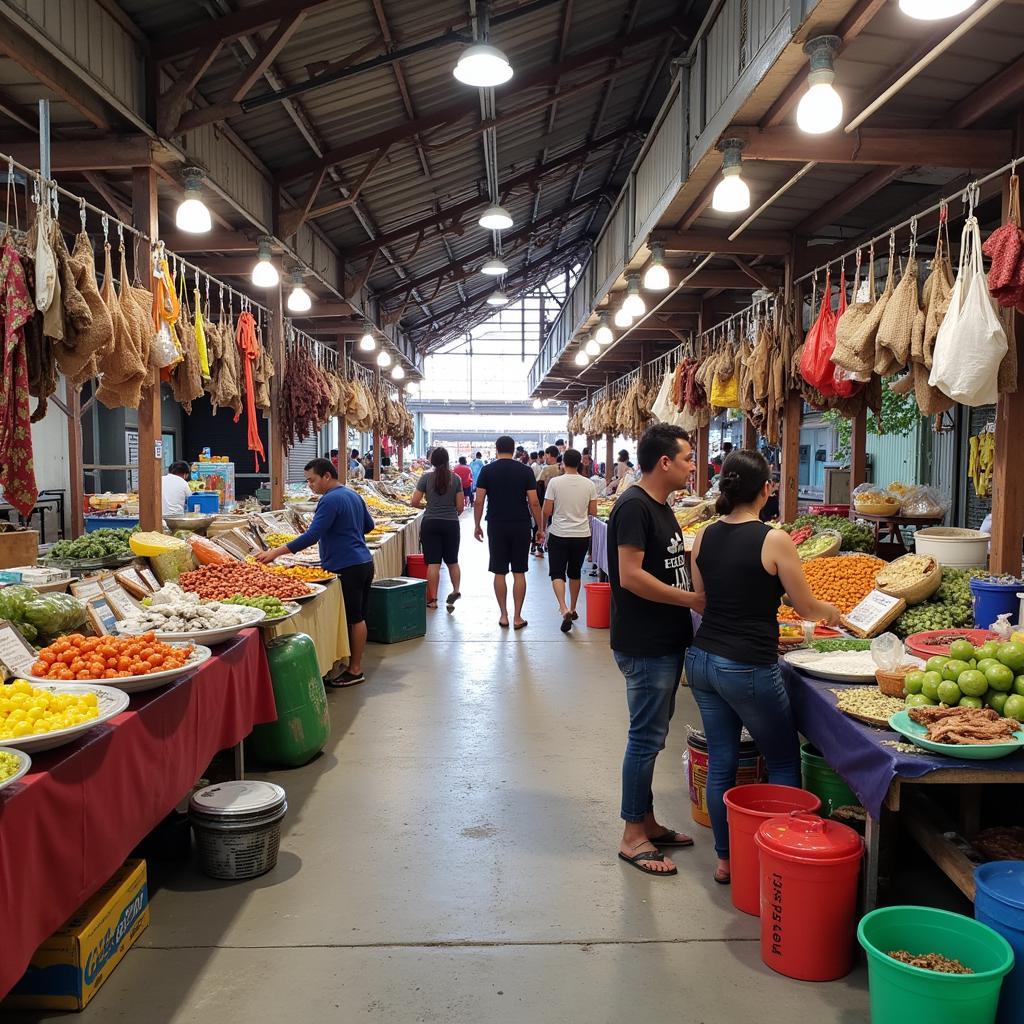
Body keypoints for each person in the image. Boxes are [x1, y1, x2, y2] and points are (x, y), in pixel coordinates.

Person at [686, 450, 841, 885]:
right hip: (746, 665)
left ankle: (725, 860)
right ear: (766, 490)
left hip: (701, 659)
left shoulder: (704, 536)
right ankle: (782, 855)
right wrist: (834, 612)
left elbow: (703, 596)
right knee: (783, 760)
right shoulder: (774, 539)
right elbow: (806, 606)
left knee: (722, 761)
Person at [608, 423, 704, 877]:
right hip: (645, 643)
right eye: (687, 457)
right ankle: (632, 835)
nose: (692, 465)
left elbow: (665, 563)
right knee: (645, 739)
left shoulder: (660, 506)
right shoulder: (633, 506)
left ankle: (646, 820)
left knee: (653, 735)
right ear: (664, 462)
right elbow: (629, 575)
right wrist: (692, 600)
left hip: (665, 640)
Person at [258, 458, 376, 687]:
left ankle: (355, 669)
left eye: (312, 480)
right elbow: (368, 526)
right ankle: (354, 663)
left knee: (355, 617)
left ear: (326, 476)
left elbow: (313, 535)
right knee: (358, 616)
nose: (310, 485)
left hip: (346, 565)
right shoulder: (352, 495)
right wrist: (348, 532)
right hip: (363, 561)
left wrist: (276, 553)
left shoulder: (330, 500)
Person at [473, 435, 544, 630]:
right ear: (514, 450)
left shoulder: (487, 471)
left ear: (496, 449)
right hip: (521, 525)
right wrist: (540, 527)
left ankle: (503, 615)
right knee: (519, 571)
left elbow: (478, 501)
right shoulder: (525, 471)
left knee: (499, 571)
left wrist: (477, 524)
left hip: (496, 525)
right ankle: (518, 617)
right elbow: (534, 501)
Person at [543, 449, 598, 632]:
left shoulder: (555, 483)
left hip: (559, 534)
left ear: (563, 463)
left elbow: (547, 510)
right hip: (581, 535)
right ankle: (573, 608)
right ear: (580, 463)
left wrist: (543, 529)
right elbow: (593, 512)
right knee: (574, 573)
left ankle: (563, 607)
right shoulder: (589, 484)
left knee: (557, 573)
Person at [411, 448, 464, 609]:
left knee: (433, 563)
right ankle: (455, 590)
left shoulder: (426, 478)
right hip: (450, 523)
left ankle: (433, 600)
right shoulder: (456, 479)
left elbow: (414, 502)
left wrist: (428, 506)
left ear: (432, 461)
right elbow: (461, 507)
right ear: (447, 460)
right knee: (452, 561)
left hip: (431, 522)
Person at [534, 445, 562, 555]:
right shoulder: (561, 468)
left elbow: (538, 483)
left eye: (546, 455)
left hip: (547, 499)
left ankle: (540, 546)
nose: (545, 457)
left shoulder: (546, 469)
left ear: (550, 455)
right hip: (559, 501)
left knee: (543, 524)